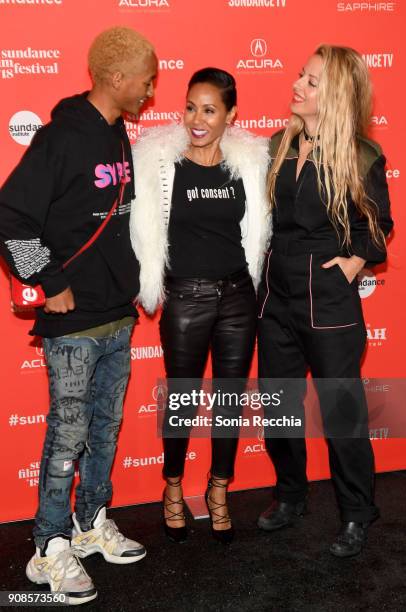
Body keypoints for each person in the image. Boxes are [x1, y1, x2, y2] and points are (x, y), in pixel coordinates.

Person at [0, 26, 157, 604]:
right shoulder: (60, 137)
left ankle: (91, 524)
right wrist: (49, 279)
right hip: (73, 325)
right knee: (66, 436)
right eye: (145, 79)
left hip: (117, 316)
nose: (150, 89)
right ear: (116, 78)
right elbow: (11, 215)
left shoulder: (119, 134)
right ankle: (49, 546)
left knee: (104, 429)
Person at [257, 45, 393, 557]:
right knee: (281, 408)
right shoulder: (277, 145)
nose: (298, 85)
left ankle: (358, 512)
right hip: (275, 299)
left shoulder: (360, 156)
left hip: (329, 303)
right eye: (300, 74)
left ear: (333, 94)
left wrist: (355, 262)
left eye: (312, 81)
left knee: (342, 416)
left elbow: (378, 229)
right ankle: (291, 497)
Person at [130, 67, 270, 544]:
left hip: (237, 298)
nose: (197, 118)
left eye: (209, 110)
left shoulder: (247, 165)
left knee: (230, 400)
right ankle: (172, 488)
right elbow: (142, 231)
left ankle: (218, 490)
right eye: (191, 106)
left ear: (230, 115)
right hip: (186, 297)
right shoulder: (161, 164)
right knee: (182, 400)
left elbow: (257, 231)